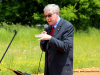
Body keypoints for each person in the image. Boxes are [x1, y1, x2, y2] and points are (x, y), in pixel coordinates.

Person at [35, 4, 74, 75]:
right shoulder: (49, 27)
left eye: (49, 15)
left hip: (61, 70)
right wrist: (43, 40)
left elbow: (66, 47)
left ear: (57, 14)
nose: (47, 18)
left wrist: (50, 38)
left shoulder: (68, 26)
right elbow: (45, 49)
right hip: (49, 68)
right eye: (45, 16)